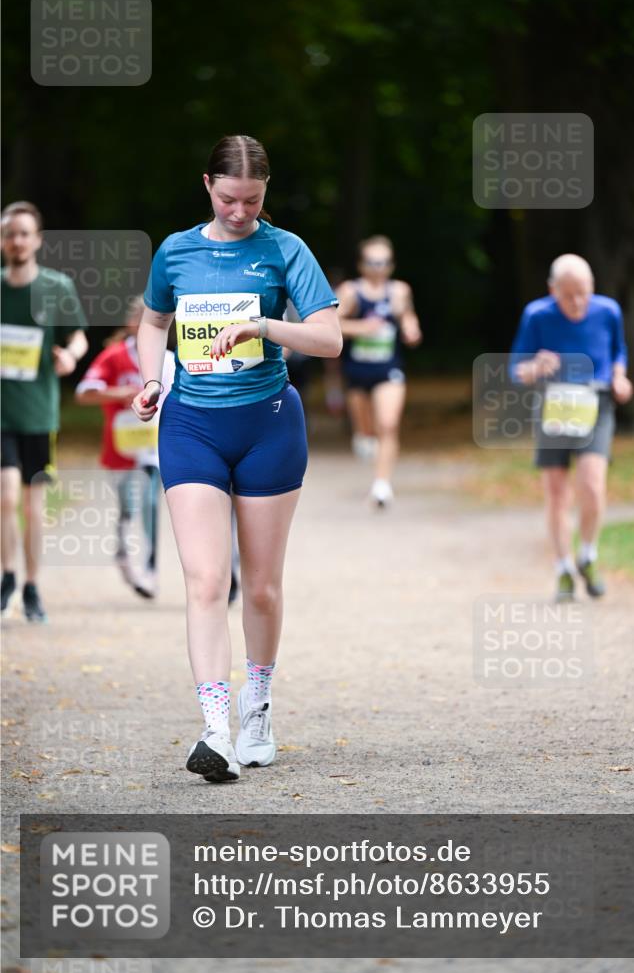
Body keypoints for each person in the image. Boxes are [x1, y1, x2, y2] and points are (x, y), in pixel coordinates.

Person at [132, 134, 341, 783]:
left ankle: (259, 708)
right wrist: (151, 380)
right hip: (191, 424)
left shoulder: (285, 249)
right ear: (207, 186)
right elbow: (151, 323)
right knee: (202, 581)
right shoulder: (176, 250)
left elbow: (330, 338)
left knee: (261, 585)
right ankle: (215, 729)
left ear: (264, 194)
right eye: (228, 198)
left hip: (268, 426)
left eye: (251, 200)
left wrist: (264, 327)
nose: (239, 212)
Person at [510, 253, 633, 603]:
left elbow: (618, 351)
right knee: (556, 492)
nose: (578, 302)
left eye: (584, 292)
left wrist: (621, 377)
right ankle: (563, 568)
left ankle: (588, 556)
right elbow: (516, 370)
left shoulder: (608, 311)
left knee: (592, 486)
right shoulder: (537, 315)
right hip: (554, 406)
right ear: (553, 290)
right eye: (568, 295)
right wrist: (535, 367)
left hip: (596, 404)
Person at [1, 201, 88, 622]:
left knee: (34, 505)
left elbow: (77, 339)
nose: (16, 240)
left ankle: (32, 586)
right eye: (9, 233)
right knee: (5, 497)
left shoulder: (56, 287)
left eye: (23, 233)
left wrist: (69, 357)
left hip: (38, 414)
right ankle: (7, 577)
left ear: (37, 240)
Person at [75, 296, 175, 599]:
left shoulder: (170, 360)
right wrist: (123, 392)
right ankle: (123, 553)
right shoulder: (114, 356)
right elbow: (84, 394)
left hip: (155, 449)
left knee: (151, 504)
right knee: (129, 508)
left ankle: (150, 569)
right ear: (131, 322)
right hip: (121, 449)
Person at [336, 235, 422, 506]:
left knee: (388, 424)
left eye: (384, 262)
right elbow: (330, 326)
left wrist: (411, 328)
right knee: (366, 432)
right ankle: (363, 436)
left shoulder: (399, 291)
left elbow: (408, 316)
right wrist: (361, 328)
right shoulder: (350, 291)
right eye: (373, 262)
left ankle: (382, 485)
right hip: (357, 370)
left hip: (389, 368)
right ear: (362, 265)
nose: (379, 267)